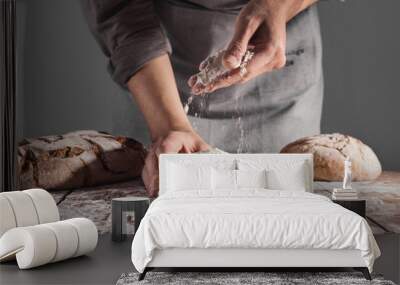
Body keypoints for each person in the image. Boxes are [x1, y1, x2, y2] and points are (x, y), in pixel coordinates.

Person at [83, 0, 322, 197]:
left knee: (281, 216)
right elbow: (118, 9)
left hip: (278, 77)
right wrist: (169, 125)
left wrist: (278, 5)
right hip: (154, 78)